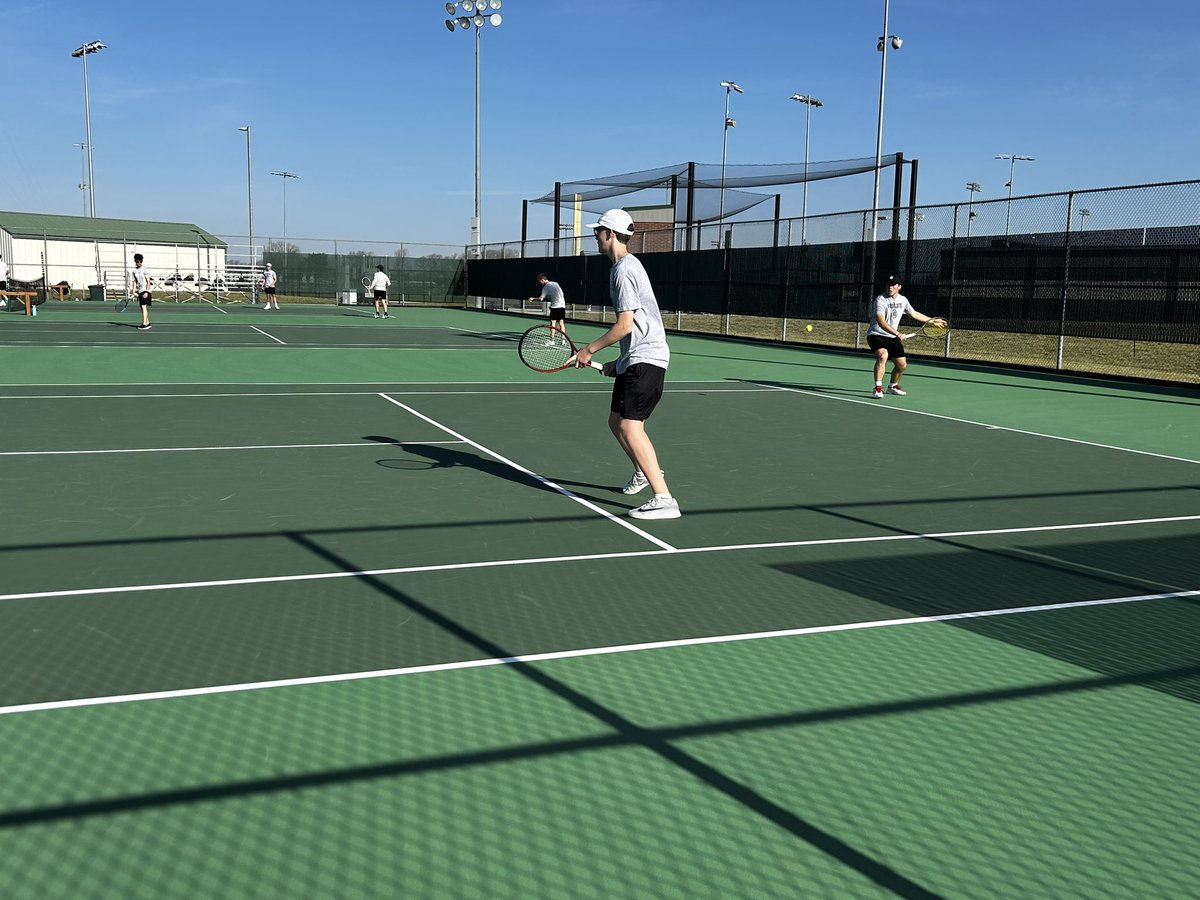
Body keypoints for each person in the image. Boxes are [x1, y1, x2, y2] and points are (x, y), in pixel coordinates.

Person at [573, 209, 680, 520]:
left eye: (599, 231)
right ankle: (642, 471)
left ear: (610, 234)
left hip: (647, 358)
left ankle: (664, 499)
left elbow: (625, 325)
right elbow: (637, 326)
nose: (595, 236)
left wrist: (588, 350)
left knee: (631, 427)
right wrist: (619, 363)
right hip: (637, 358)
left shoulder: (622, 270)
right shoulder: (627, 266)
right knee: (616, 421)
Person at [866, 275, 946, 398]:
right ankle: (877, 388)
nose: (890, 287)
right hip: (876, 334)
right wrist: (897, 333)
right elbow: (881, 321)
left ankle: (893, 386)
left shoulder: (903, 300)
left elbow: (914, 314)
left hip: (892, 337)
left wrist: (932, 321)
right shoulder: (880, 300)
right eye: (888, 285)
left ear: (899, 287)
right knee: (883, 355)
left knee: (901, 365)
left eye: (893, 285)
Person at [130, 253, 153, 330]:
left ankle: (144, 324)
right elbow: (134, 282)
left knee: (143, 307)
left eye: (140, 261)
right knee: (142, 307)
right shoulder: (134, 271)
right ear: (135, 261)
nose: (139, 263)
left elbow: (148, 281)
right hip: (140, 291)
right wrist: (133, 292)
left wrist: (146, 291)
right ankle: (148, 323)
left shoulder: (144, 269)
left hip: (145, 290)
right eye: (137, 261)